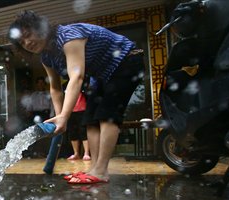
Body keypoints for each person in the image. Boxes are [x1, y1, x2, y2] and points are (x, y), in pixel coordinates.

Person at [8, 10, 144, 184]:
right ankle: (95, 169)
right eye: (21, 41)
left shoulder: (68, 37)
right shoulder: (46, 57)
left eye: (28, 35)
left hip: (127, 60)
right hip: (103, 74)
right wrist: (59, 117)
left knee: (107, 115)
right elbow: (55, 88)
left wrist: (65, 116)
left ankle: (101, 171)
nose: (27, 42)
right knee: (90, 119)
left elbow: (76, 78)